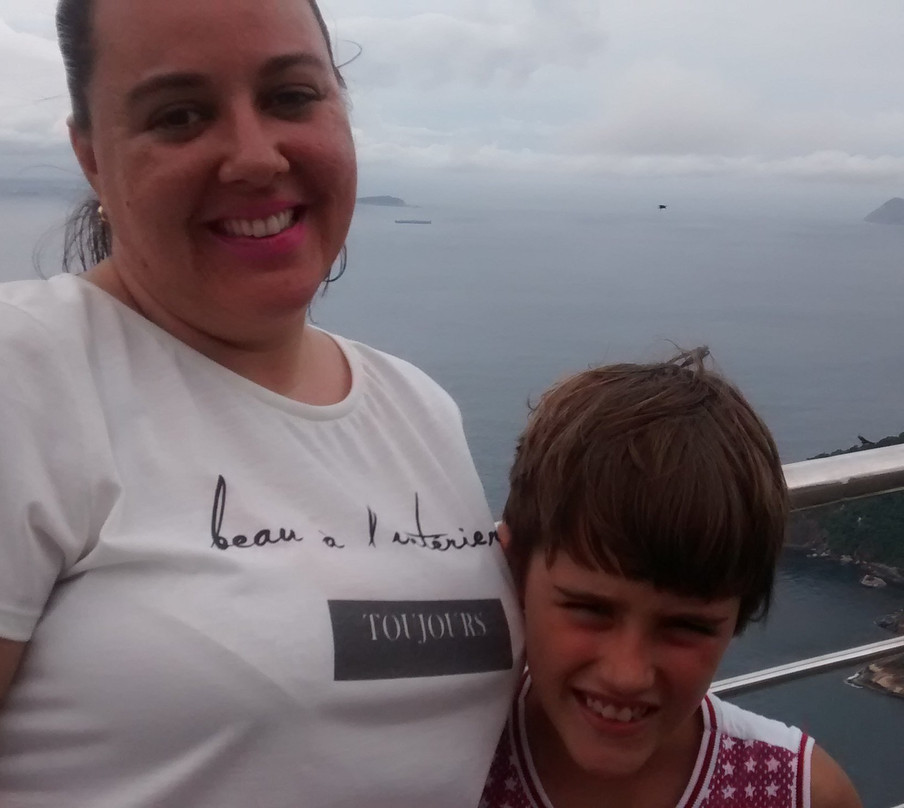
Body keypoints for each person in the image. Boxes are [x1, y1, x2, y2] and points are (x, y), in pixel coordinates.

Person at [0, 0, 522, 805]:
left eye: (290, 97)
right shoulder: (26, 374)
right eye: (180, 115)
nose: (253, 156)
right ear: (92, 158)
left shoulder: (419, 409)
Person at [480, 350, 861, 808]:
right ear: (514, 572)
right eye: (590, 609)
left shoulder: (799, 794)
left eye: (687, 626)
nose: (627, 674)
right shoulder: (442, 759)